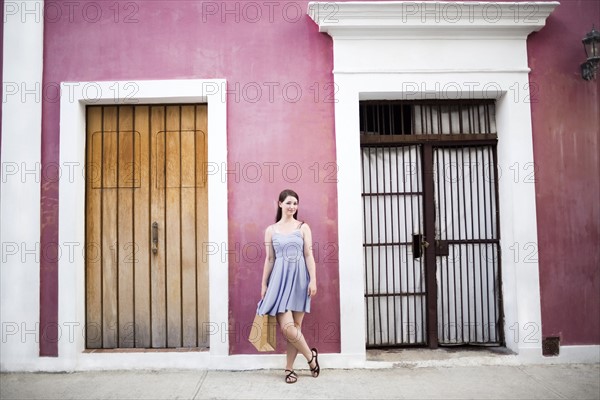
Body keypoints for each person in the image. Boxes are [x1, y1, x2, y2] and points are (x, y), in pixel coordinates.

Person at [256, 189, 320, 384]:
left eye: (295, 203)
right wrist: (264, 283)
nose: (292, 207)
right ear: (280, 203)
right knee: (288, 328)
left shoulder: (303, 227)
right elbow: (270, 258)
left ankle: (289, 369)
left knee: (297, 326)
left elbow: (308, 255)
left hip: (300, 279)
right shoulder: (271, 230)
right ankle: (311, 357)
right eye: (289, 203)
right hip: (279, 281)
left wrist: (313, 279)